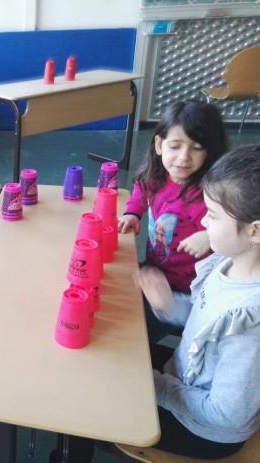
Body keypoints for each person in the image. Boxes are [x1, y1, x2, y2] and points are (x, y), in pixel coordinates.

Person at [137, 144, 260, 458]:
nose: (204, 223)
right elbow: (208, 320)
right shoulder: (229, 260)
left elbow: (226, 415)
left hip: (203, 428)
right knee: (108, 361)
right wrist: (170, 304)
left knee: (95, 407)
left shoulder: (251, 325)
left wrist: (157, 387)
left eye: (213, 216)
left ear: (255, 231)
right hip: (180, 376)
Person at [118, 100, 228, 341]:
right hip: (155, 269)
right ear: (159, 144)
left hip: (185, 291)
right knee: (115, 296)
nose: (183, 157)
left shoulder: (212, 194)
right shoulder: (155, 175)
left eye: (196, 148)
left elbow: (240, 233)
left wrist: (210, 236)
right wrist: (133, 213)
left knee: (135, 337)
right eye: (175, 146)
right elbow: (140, 190)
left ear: (209, 151)